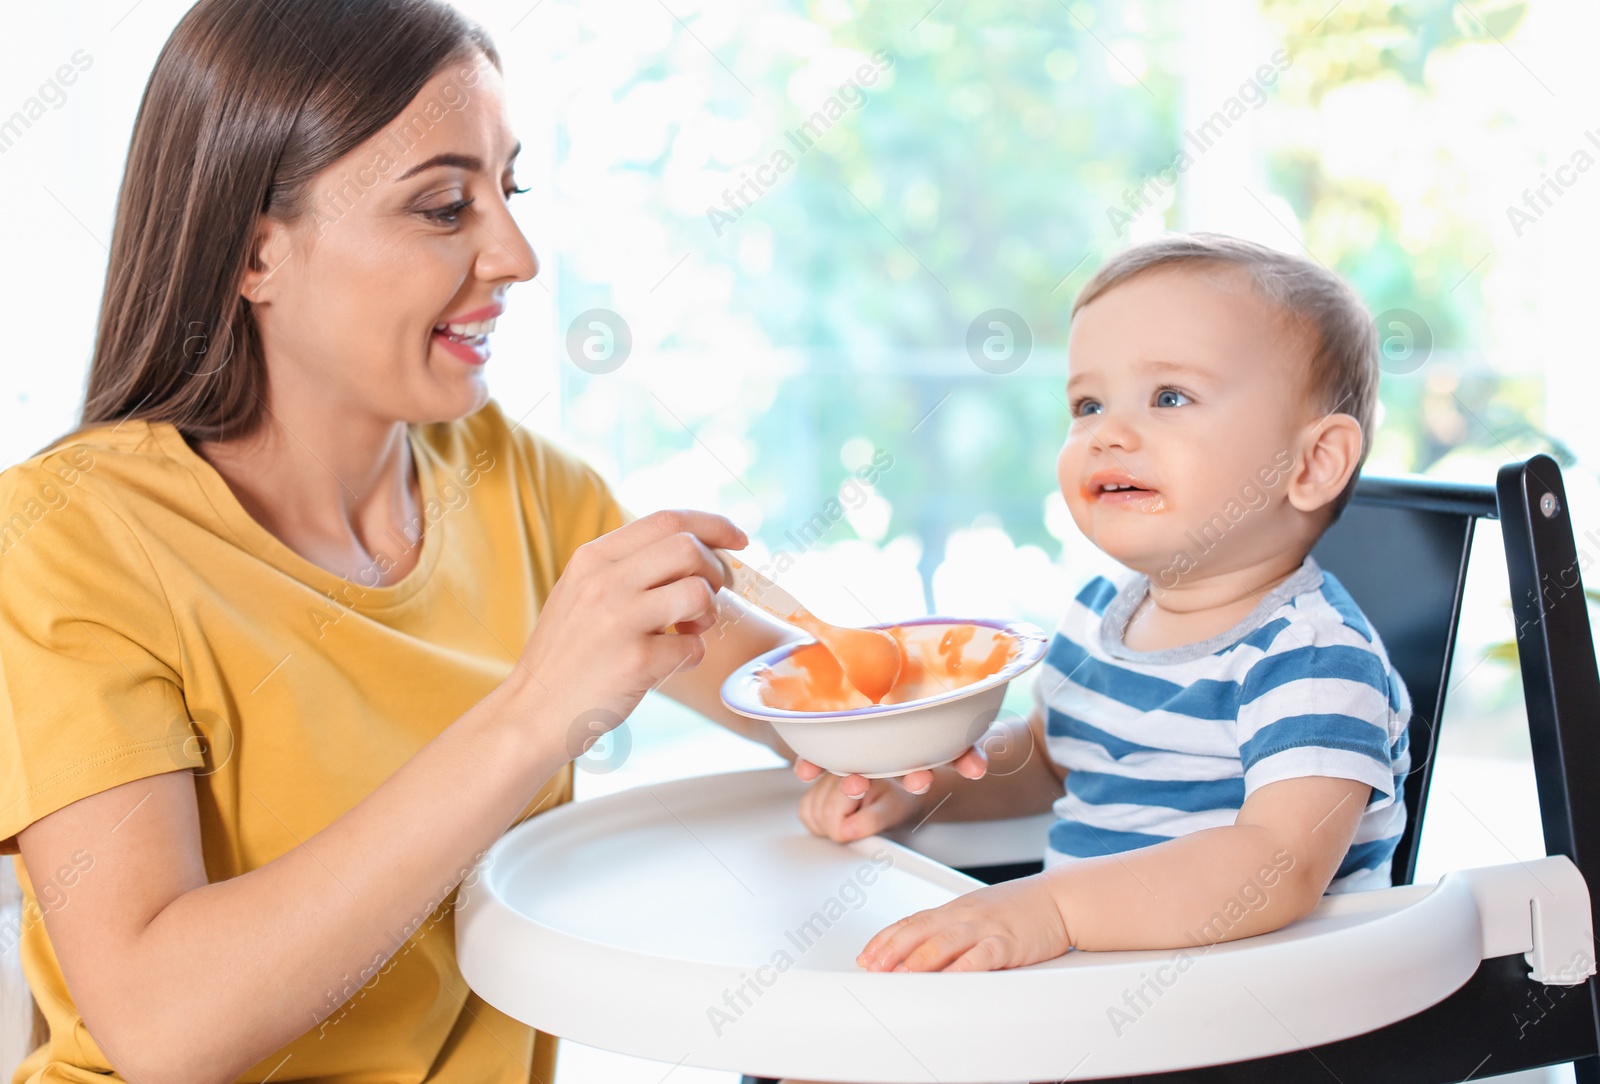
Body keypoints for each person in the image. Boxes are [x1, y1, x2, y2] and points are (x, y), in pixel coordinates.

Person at [0, 2, 981, 1080]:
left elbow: (841, 696)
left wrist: (884, 755)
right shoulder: (67, 539)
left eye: (507, 192)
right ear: (254, 253)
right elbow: (163, 1027)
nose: (514, 255)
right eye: (441, 208)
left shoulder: (520, 484)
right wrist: (534, 713)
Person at [798, 232, 1411, 974]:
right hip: (1095, 984)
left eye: (1170, 396)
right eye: (1087, 404)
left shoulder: (1311, 659)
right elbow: (1051, 761)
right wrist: (916, 792)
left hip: (1249, 1011)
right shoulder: (1101, 614)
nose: (1108, 433)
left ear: (1313, 462)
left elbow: (1275, 863)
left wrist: (1049, 908)